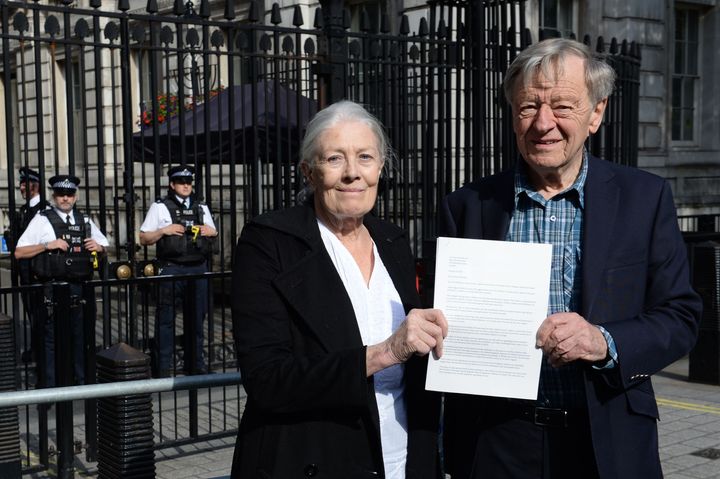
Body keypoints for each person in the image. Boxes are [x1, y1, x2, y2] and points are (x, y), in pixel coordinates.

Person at [439, 38, 702, 479]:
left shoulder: (644, 198)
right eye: (528, 107)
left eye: (562, 106)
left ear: (596, 114)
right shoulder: (467, 205)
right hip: (499, 441)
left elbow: (681, 317)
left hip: (607, 438)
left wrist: (605, 342)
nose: (543, 123)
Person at [231, 100, 448, 478]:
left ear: (380, 168)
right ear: (308, 172)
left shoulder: (393, 242)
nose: (352, 173)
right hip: (314, 458)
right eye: (334, 159)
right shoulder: (270, 243)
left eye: (365, 157)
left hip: (400, 460)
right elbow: (267, 378)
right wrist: (385, 352)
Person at [15, 174, 109, 387]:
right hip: (53, 289)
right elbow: (19, 252)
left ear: (75, 197)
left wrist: (100, 248)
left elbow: (104, 245)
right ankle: (51, 387)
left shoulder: (84, 220)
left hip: (80, 287)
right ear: (53, 196)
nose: (65, 198)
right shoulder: (42, 219)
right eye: (61, 194)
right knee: (51, 340)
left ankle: (82, 384)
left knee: (81, 336)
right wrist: (47, 245)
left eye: (69, 194)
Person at [139, 165, 217, 377]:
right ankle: (162, 367)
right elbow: (143, 237)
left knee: (197, 319)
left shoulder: (200, 206)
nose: (186, 186)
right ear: (172, 184)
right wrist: (164, 230)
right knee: (166, 320)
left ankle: (195, 364)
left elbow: (213, 231)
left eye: (189, 182)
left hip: (198, 268)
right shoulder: (160, 207)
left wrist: (205, 230)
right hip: (171, 268)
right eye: (181, 182)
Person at [3, 167, 50, 363]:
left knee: (41, 313)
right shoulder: (24, 209)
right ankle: (36, 348)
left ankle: (42, 351)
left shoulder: (43, 209)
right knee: (31, 311)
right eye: (21, 183)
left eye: (25, 183)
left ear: (35, 185)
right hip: (24, 268)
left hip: (37, 269)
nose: (21, 187)